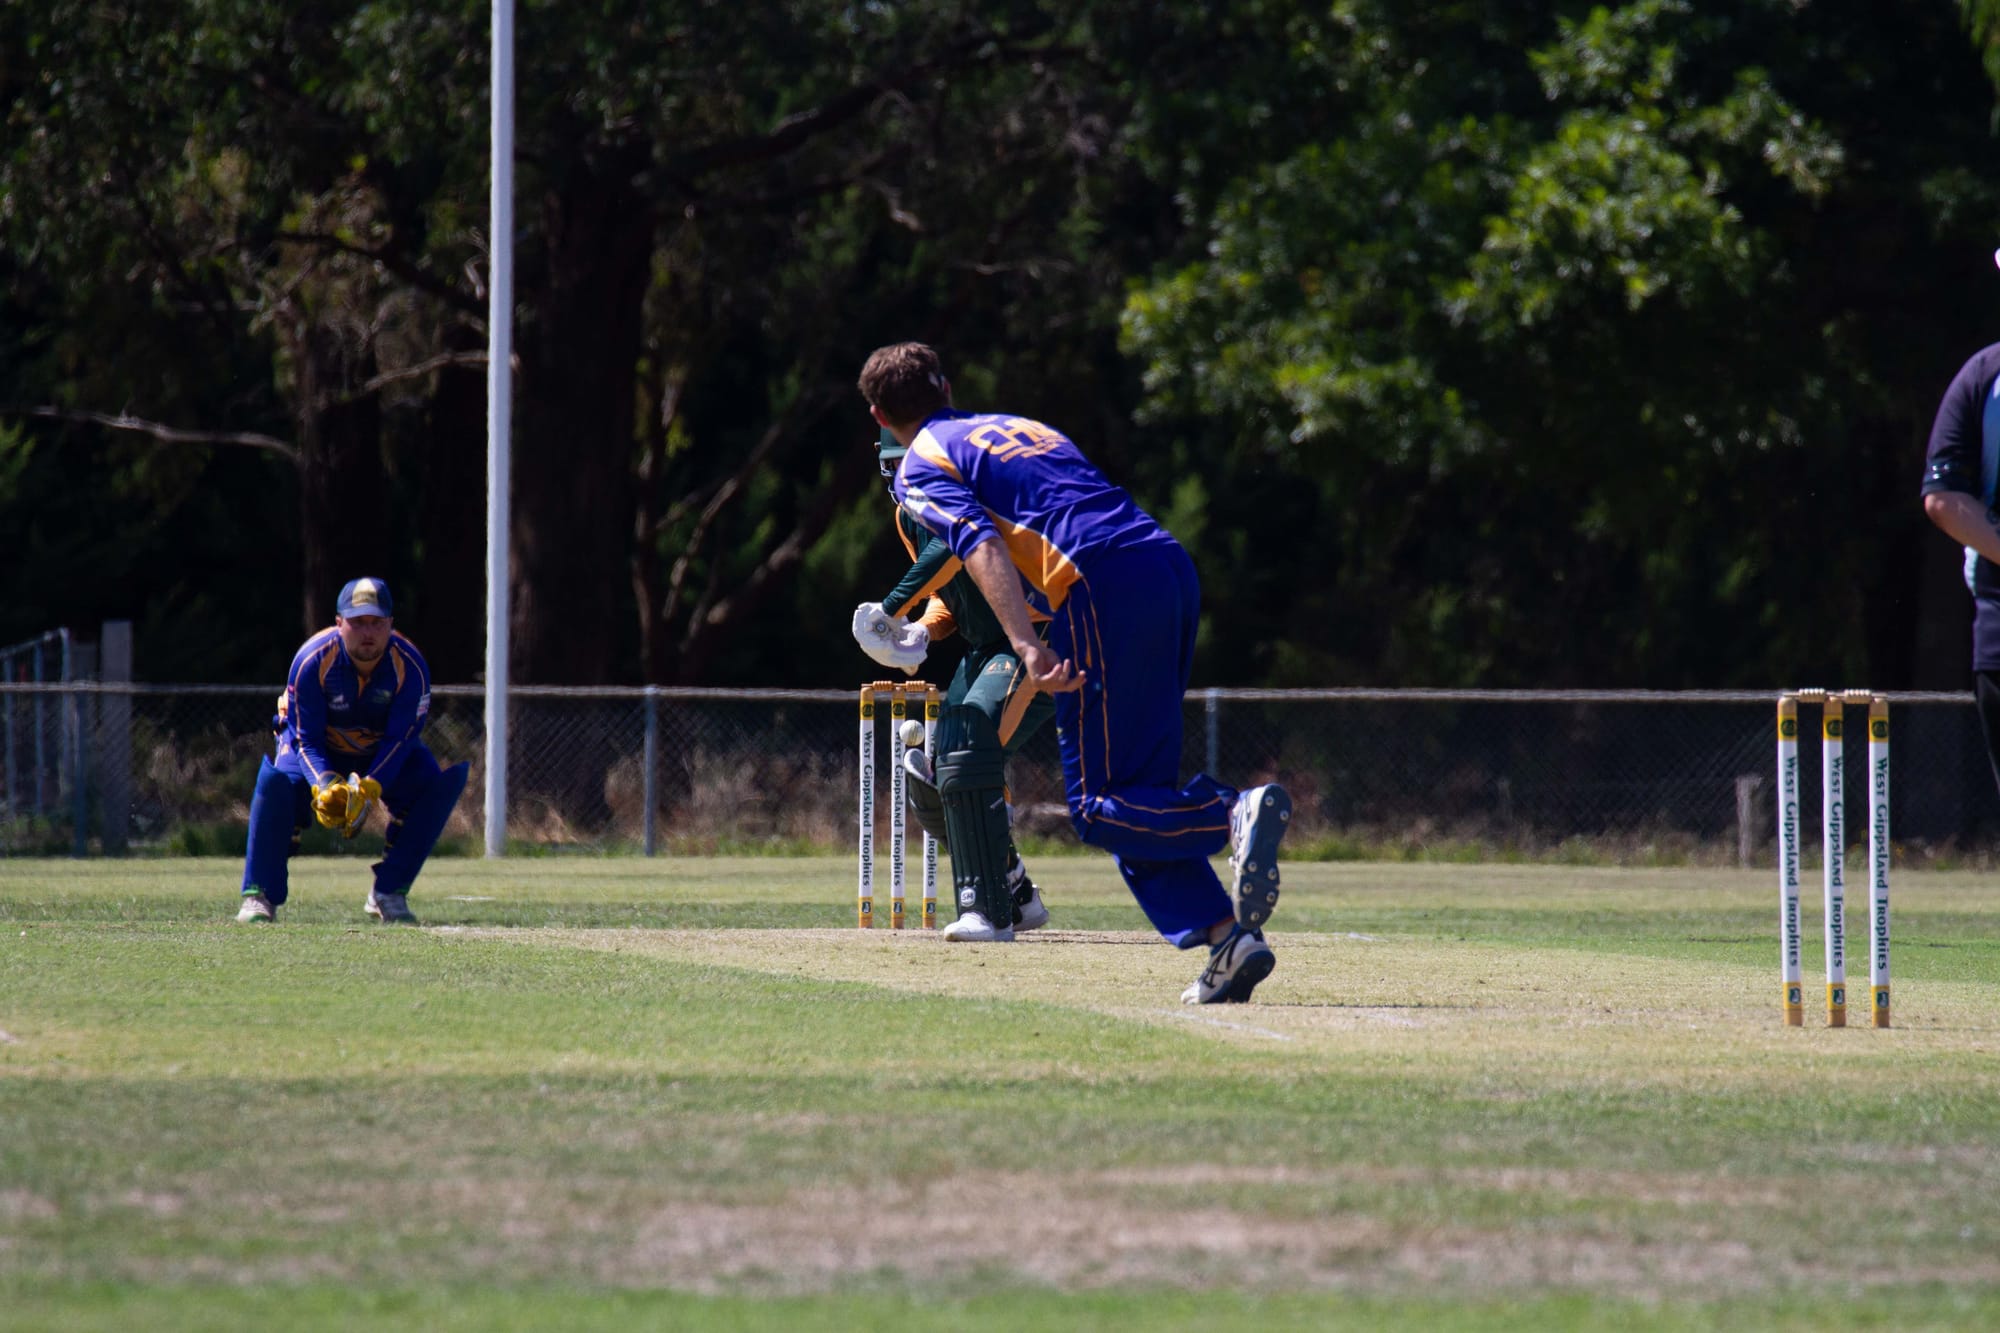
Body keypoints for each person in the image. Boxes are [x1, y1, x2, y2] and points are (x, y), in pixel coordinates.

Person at [857, 341, 1293, 1003]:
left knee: (1095, 806)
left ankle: (1231, 812)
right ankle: (1227, 939)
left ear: (878, 415)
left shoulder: (921, 465)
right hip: (1167, 565)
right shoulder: (1019, 428)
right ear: (947, 386)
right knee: (1138, 789)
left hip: (1095, 584)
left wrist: (1026, 644)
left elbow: (977, 544)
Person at [851, 426, 1057, 940]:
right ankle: (1017, 892)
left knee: (966, 750)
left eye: (911, 467)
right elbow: (950, 590)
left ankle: (987, 912)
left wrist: (891, 609)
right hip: (985, 649)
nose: (905, 479)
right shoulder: (906, 517)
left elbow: (953, 549)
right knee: (932, 772)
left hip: (1036, 637)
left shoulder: (968, 500)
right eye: (896, 468)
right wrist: (923, 628)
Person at [235, 577, 468, 925]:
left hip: (380, 754)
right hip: (316, 750)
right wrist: (326, 783)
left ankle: (388, 892)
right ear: (339, 623)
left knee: (433, 784)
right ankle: (259, 895)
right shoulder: (312, 660)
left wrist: (371, 785)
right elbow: (304, 738)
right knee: (276, 782)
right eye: (358, 623)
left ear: (390, 625)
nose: (368, 633)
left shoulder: (411, 667)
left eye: (376, 622)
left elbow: (402, 738)